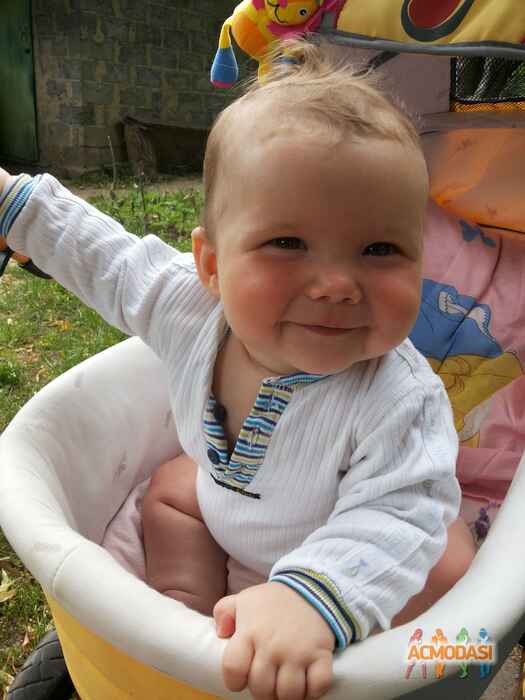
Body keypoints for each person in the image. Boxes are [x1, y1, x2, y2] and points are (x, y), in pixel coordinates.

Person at [0, 39, 476, 700]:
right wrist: (14, 204)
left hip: (344, 549)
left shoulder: (401, 399)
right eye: (287, 243)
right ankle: (185, 615)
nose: (337, 284)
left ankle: (324, 617)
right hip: (230, 514)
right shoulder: (189, 310)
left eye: (380, 249)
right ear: (212, 266)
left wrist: (314, 598)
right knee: (172, 489)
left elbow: (398, 514)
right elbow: (106, 258)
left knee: (448, 564)